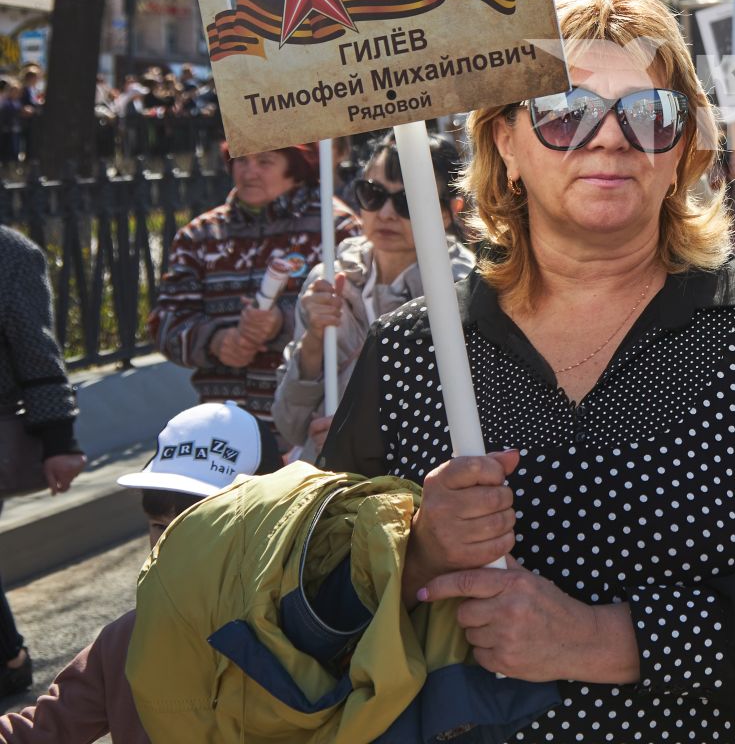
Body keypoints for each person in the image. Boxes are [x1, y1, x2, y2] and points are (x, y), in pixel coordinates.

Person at [321, 0, 735, 741]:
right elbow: (312, 599)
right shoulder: (414, 349)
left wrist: (604, 639)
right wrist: (414, 557)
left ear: (683, 146)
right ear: (504, 143)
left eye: (651, 114)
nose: (610, 138)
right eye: (564, 111)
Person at [0, 401, 269, 743]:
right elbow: (41, 729)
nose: (172, 545)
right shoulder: (129, 638)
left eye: (202, 525)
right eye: (159, 525)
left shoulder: (302, 629)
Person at [272, 131, 474, 461]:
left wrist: (357, 435)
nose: (385, 214)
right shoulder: (329, 279)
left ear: (451, 209)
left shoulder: (465, 291)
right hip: (328, 486)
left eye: (409, 201)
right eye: (373, 194)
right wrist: (313, 340)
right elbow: (289, 425)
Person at [149, 144, 356, 432]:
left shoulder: (337, 228)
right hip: (220, 429)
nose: (249, 172)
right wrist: (215, 341)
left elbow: (357, 323)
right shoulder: (199, 235)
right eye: (241, 160)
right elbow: (165, 324)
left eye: (264, 161)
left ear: (296, 167)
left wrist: (282, 324)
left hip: (304, 431)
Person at [0, 226, 85, 698]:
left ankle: (10, 656)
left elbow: (36, 348)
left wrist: (59, 440)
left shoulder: (9, 254)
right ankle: (9, 654)